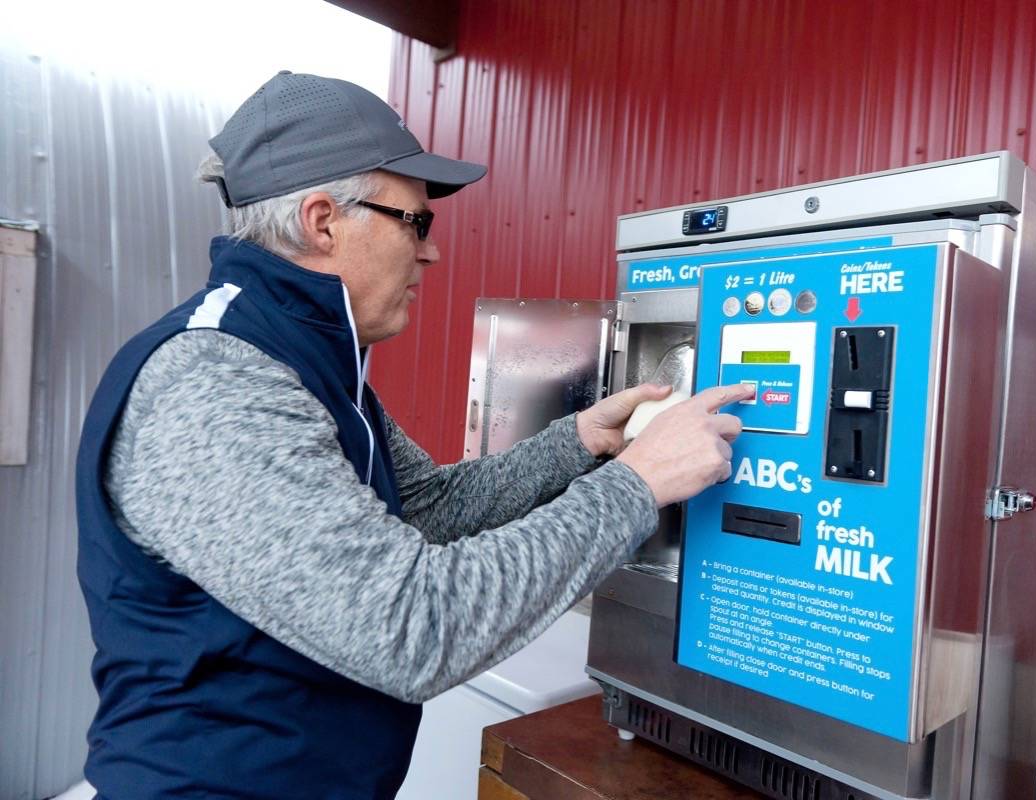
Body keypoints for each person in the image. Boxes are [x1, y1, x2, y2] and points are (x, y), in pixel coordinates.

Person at [75, 70, 752, 800]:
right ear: (323, 220)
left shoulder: (309, 359)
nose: (430, 253)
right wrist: (639, 484)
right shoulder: (215, 383)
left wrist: (578, 444)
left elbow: (422, 508)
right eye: (415, 222)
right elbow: (409, 628)